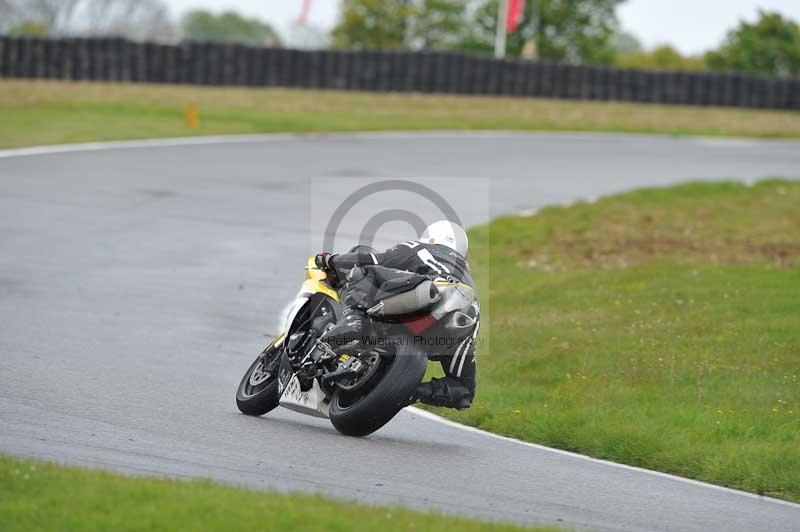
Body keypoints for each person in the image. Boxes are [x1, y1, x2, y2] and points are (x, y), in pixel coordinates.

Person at [314, 220, 478, 410]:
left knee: (365, 271)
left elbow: (373, 260)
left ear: (431, 238)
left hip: (432, 291)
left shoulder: (424, 249)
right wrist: (401, 389)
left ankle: (354, 320)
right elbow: (462, 393)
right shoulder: (467, 278)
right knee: (463, 390)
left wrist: (330, 261)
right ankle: (413, 392)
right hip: (462, 318)